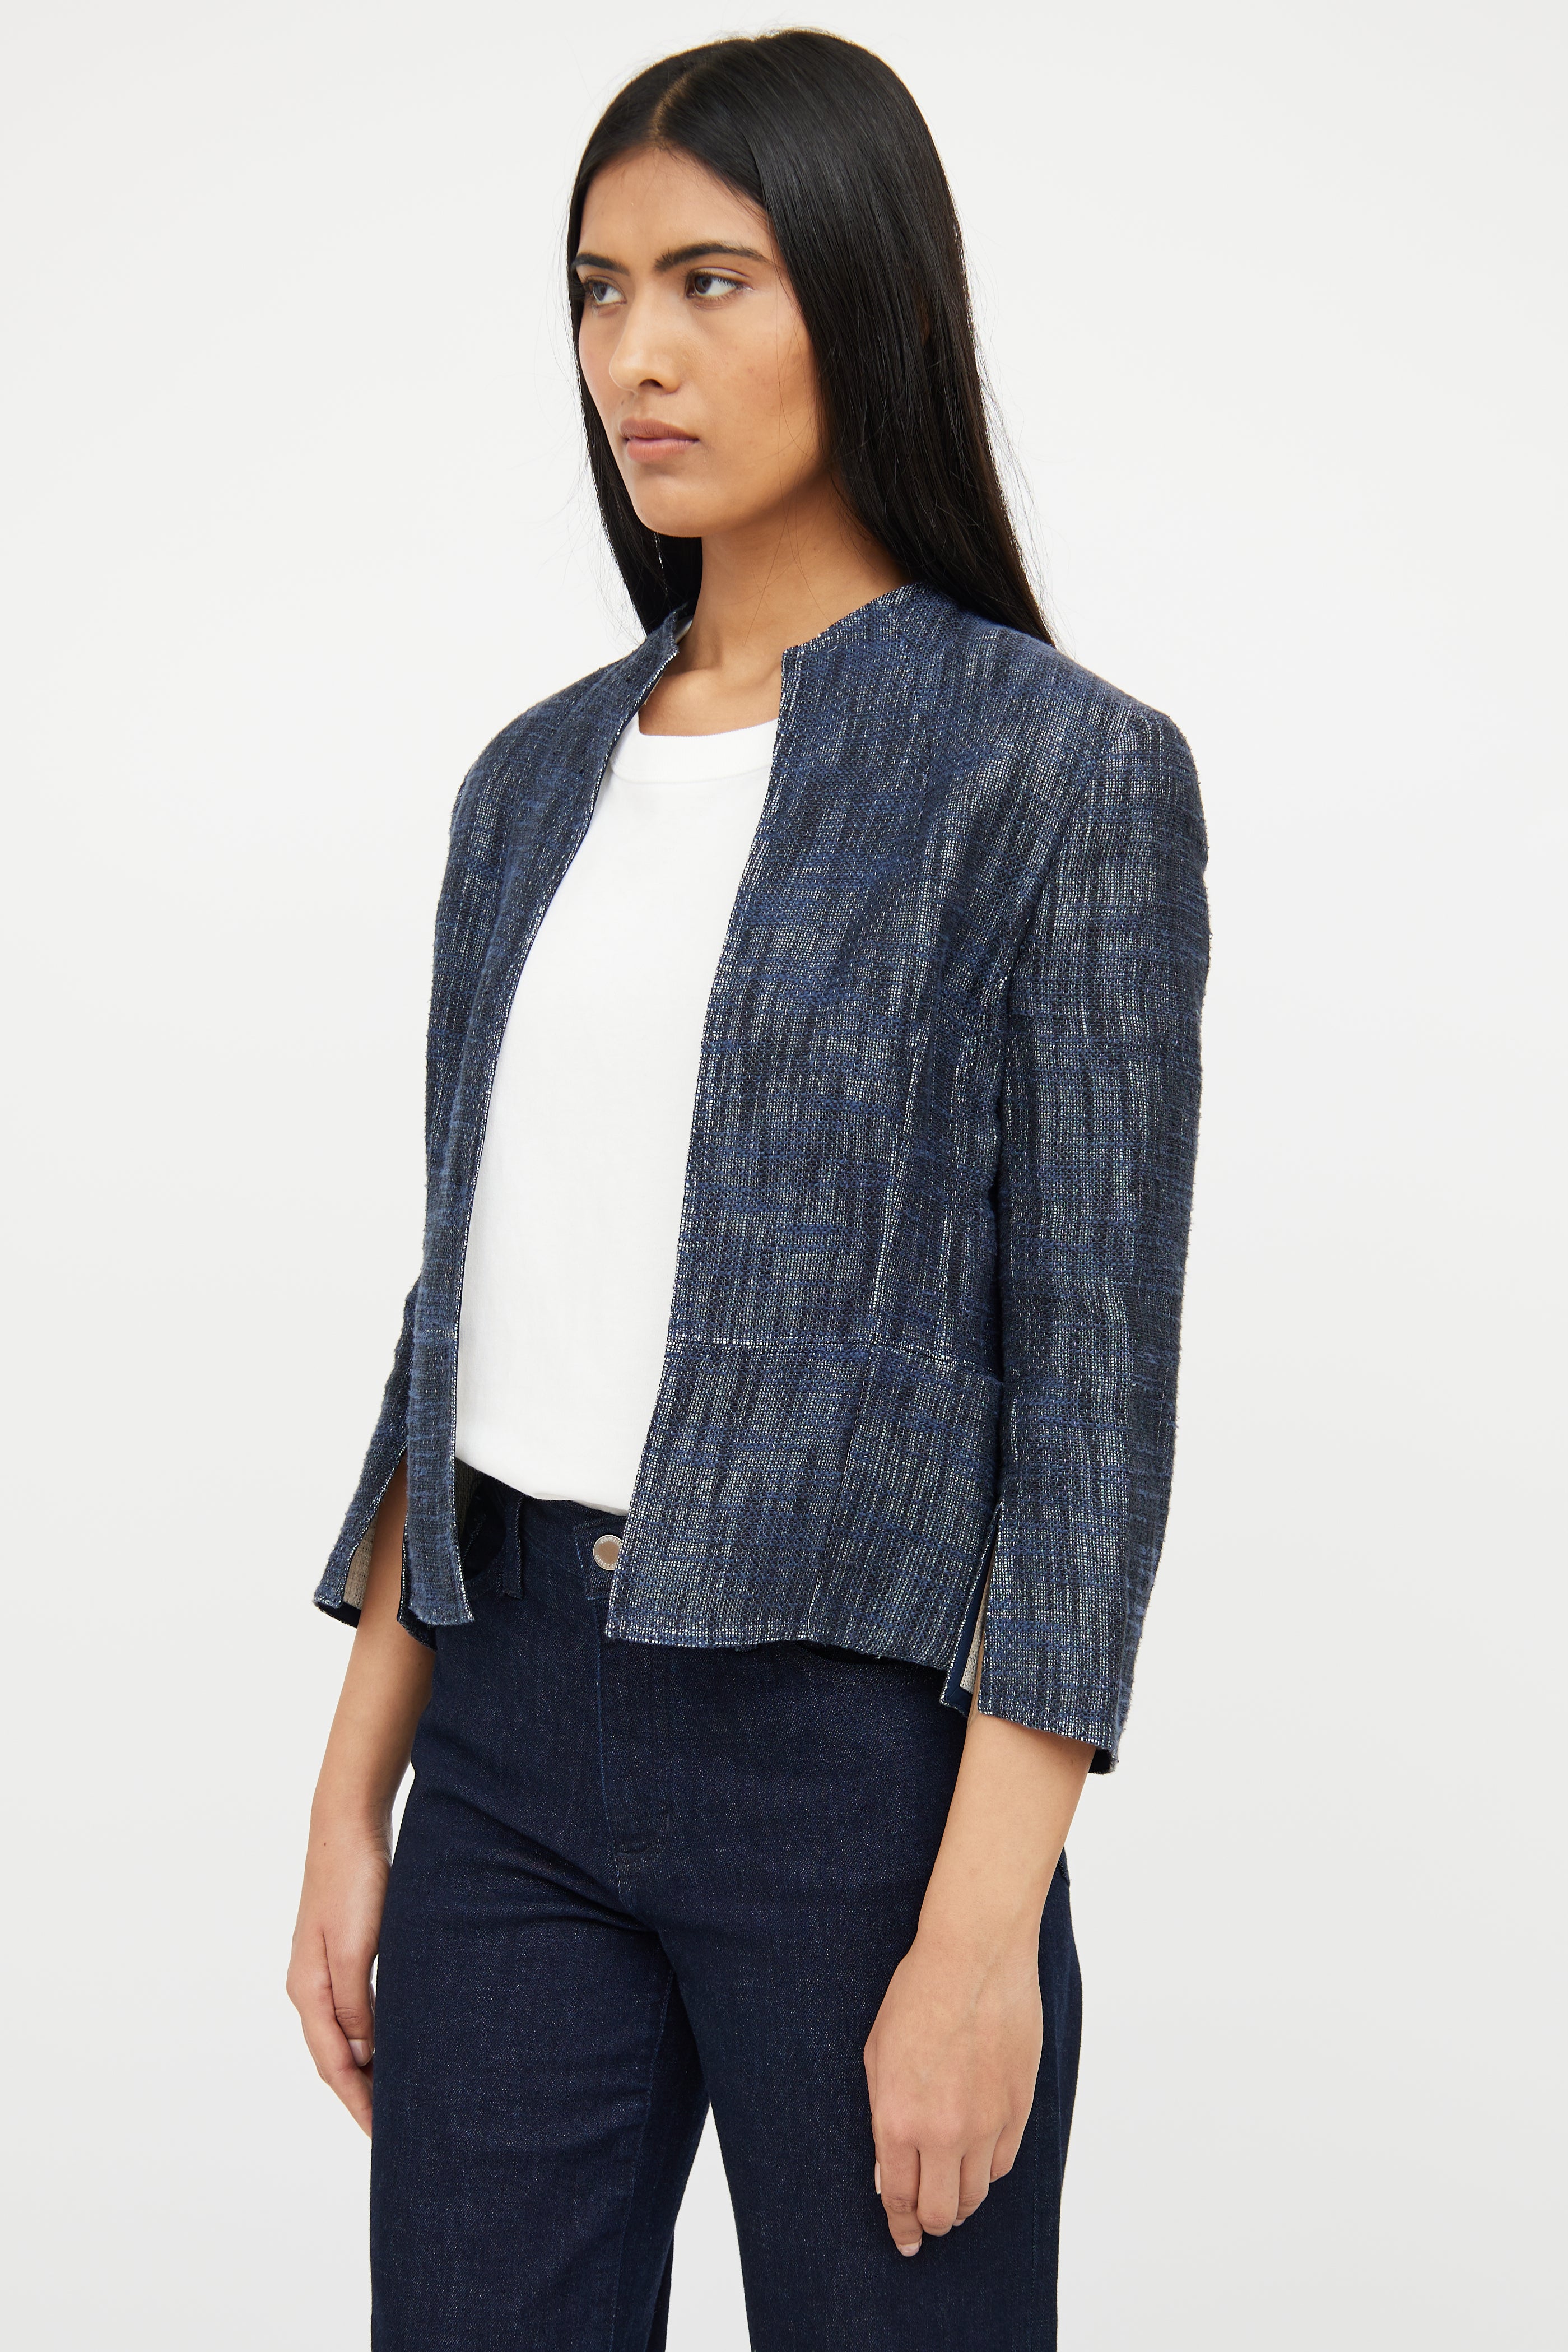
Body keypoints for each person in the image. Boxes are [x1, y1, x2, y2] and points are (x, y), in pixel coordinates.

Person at [287, 30, 1209, 2350]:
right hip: (506, 1745)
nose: (636, 355)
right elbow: (455, 1321)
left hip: (860, 1780)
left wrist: (982, 1932)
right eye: (598, 292)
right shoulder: (529, 784)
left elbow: (1089, 1409)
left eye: (711, 280)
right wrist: (350, 1801)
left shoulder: (1055, 774)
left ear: (870, 298)